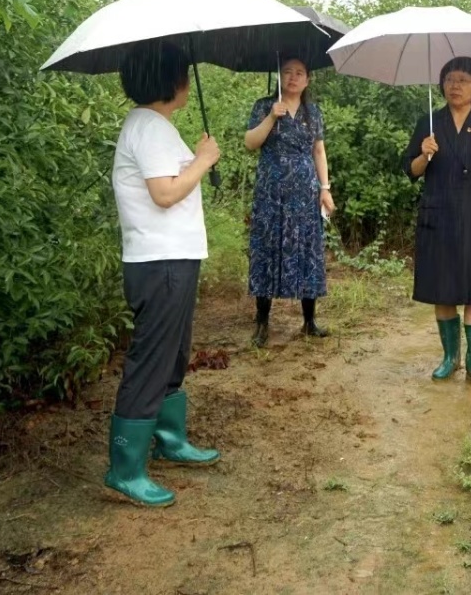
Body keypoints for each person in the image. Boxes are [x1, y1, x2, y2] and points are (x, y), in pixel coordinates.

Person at [106, 41, 222, 508]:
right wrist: (203, 160)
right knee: (152, 360)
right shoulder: (149, 128)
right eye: (183, 72)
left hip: (173, 258)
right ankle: (125, 468)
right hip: (160, 262)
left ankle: (169, 440)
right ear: (171, 80)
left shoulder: (154, 125)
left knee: (173, 355)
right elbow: (164, 193)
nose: (187, 80)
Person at [403, 56, 471, 391]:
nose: (456, 85)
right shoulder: (430, 123)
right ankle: (450, 358)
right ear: (442, 84)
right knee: (443, 290)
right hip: (437, 215)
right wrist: (424, 154)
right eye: (450, 79)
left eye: (464, 79)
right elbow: (410, 171)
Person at [244, 56, 335, 346]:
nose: (293, 78)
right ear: (279, 76)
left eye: (299, 73)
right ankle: (262, 323)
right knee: (267, 248)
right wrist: (272, 116)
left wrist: (325, 187)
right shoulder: (263, 105)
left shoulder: (313, 112)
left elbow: (318, 151)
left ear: (307, 79)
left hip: (305, 192)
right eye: (287, 72)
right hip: (271, 191)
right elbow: (250, 143)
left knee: (308, 249)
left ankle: (309, 321)